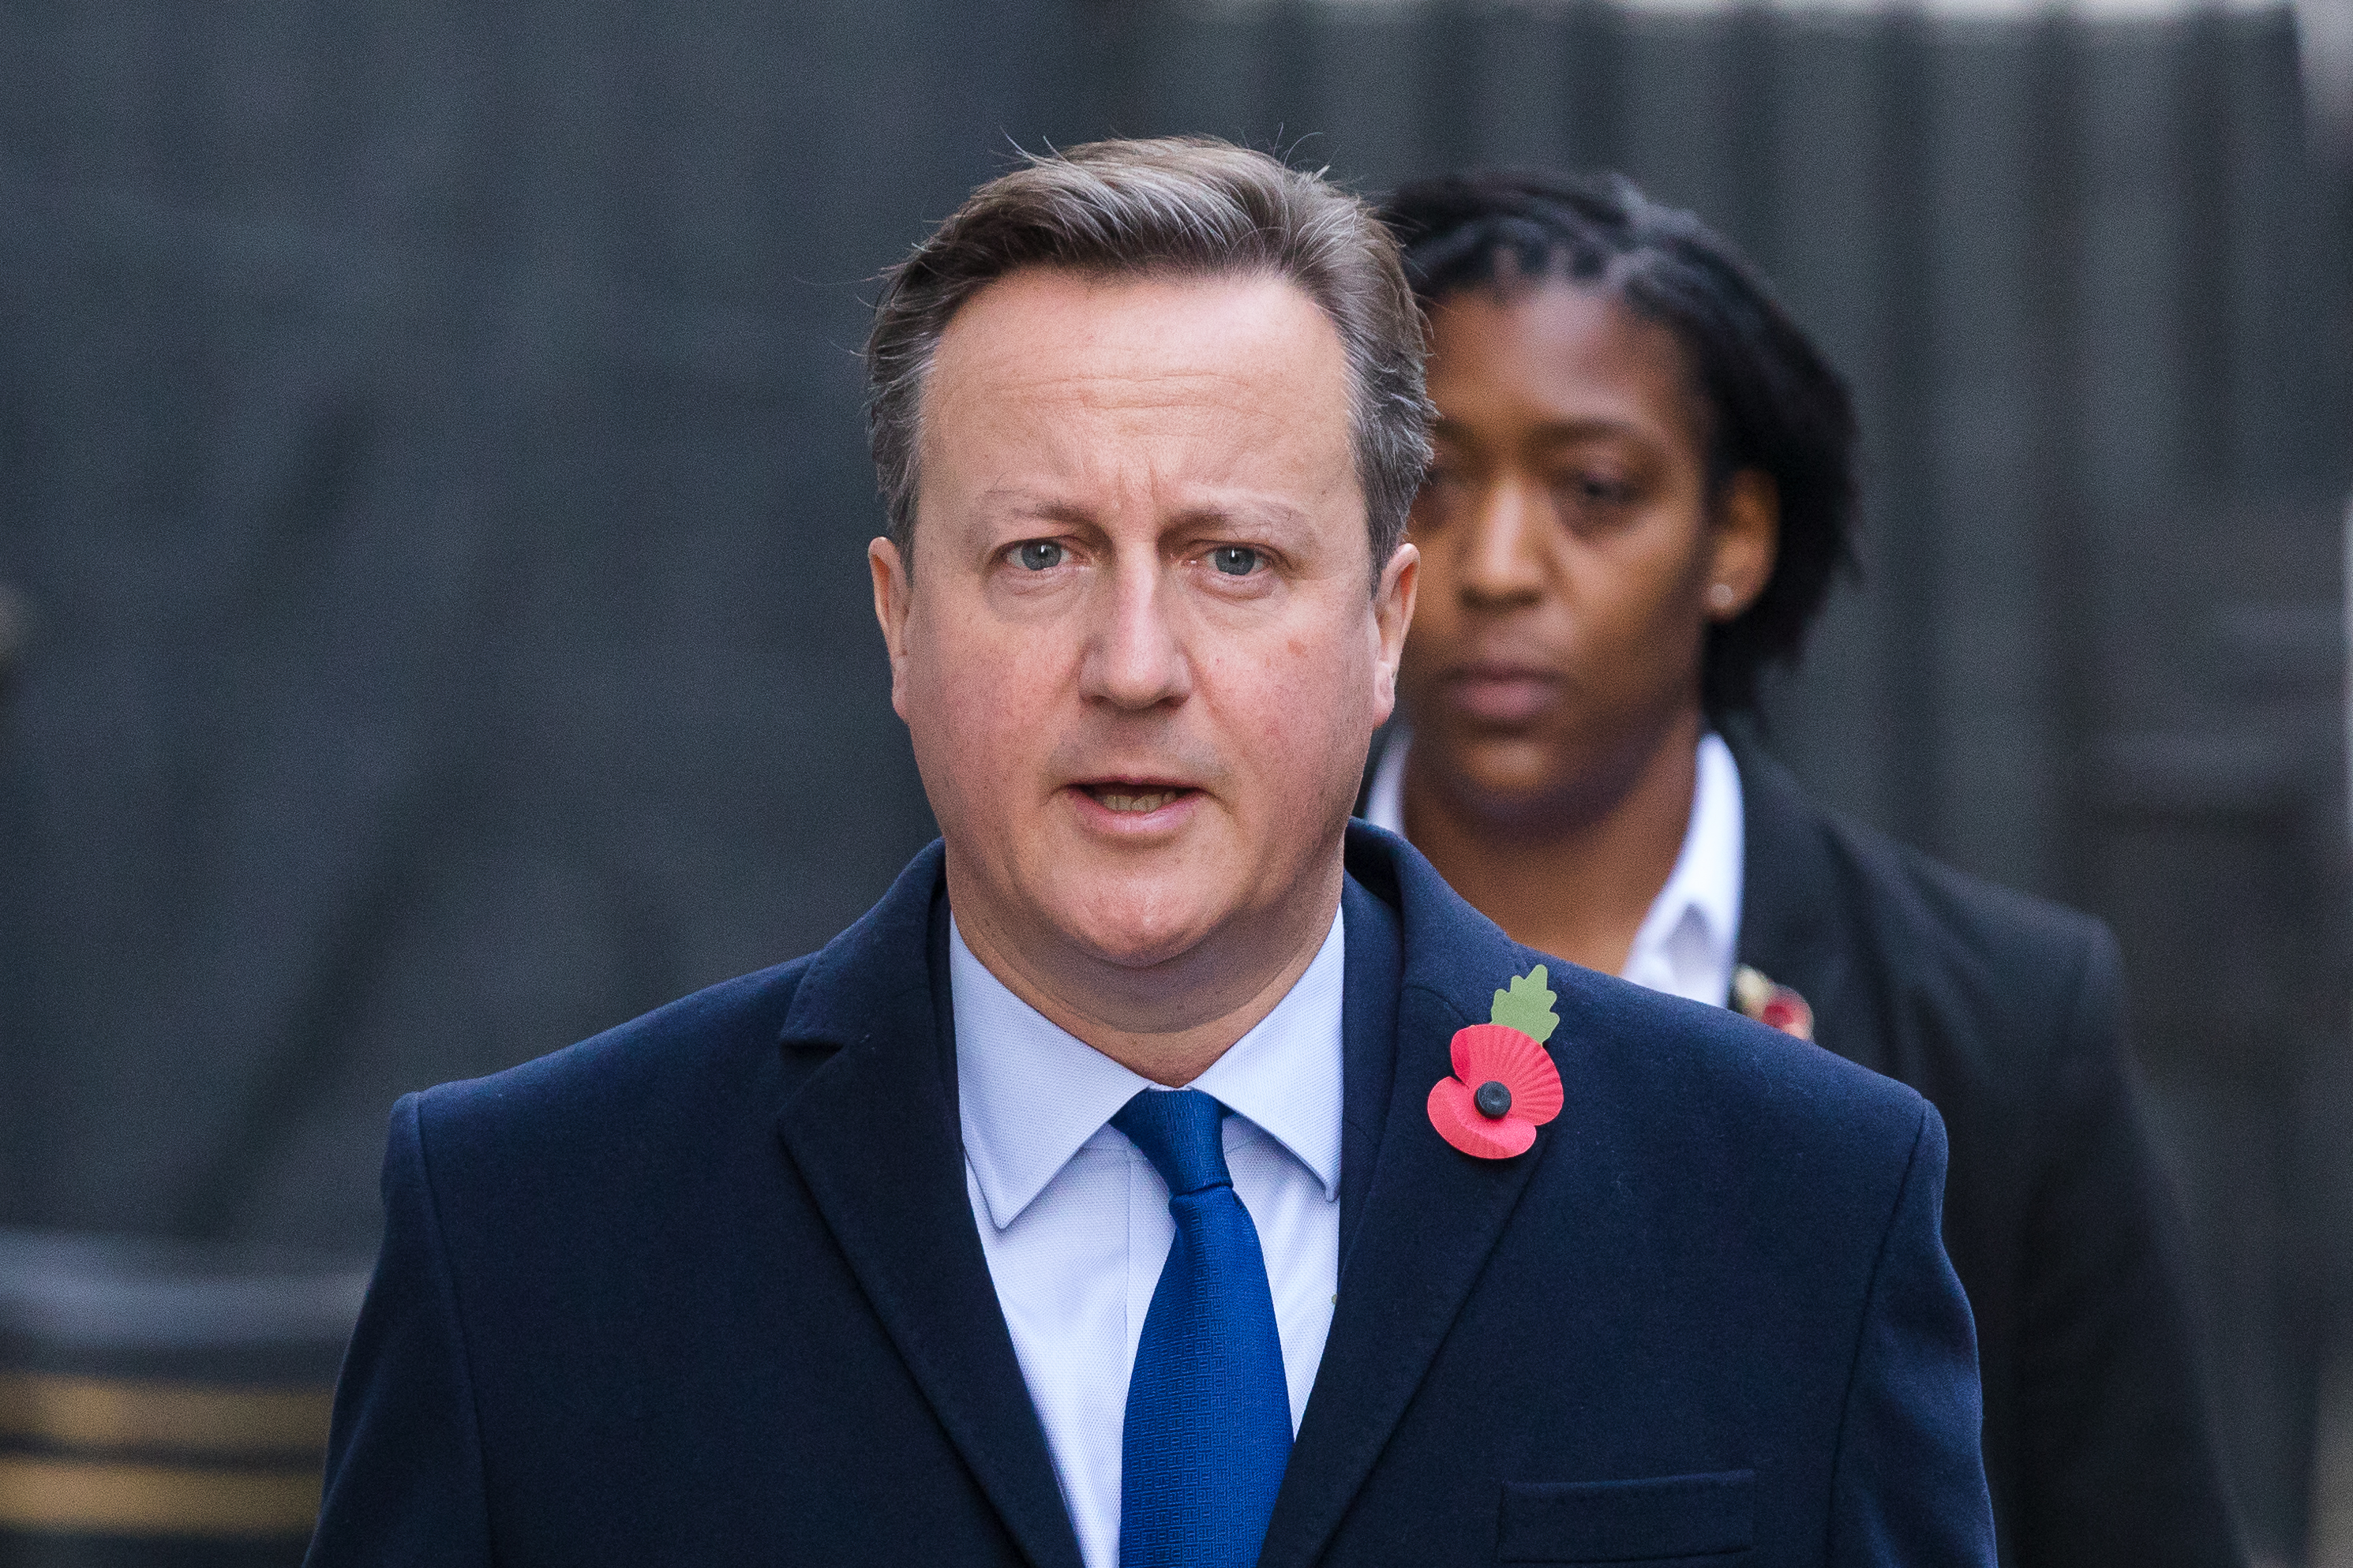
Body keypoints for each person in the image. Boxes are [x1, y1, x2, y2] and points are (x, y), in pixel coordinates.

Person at [306, 139, 1995, 1567]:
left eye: (1234, 560)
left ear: (1385, 624)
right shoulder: (532, 1240)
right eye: (1041, 554)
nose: (1134, 661)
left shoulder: (1800, 1212)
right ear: (902, 624)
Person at [1369, 167, 2242, 1568]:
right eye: (1429, 483)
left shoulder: (2001, 1022)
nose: (1497, 564)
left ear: (1734, 538)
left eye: (1593, 489)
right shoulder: (1204, 957)